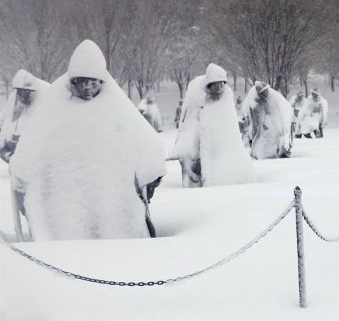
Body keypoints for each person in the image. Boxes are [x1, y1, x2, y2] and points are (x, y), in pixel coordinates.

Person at [10, 40, 166, 241]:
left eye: (92, 82)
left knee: (115, 239)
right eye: (81, 81)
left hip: (111, 200)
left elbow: (146, 144)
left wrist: (151, 173)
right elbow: (31, 146)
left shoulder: (117, 108)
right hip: (65, 201)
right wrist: (22, 172)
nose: (87, 87)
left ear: (102, 81)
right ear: (73, 82)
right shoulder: (54, 108)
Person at [172, 63, 254, 187]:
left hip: (222, 148)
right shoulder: (200, 102)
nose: (219, 87)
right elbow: (192, 126)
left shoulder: (227, 97)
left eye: (221, 83)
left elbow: (229, 125)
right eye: (216, 84)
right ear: (210, 85)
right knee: (192, 162)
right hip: (203, 145)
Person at [0, 69, 49, 164]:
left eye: (26, 92)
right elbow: (4, 117)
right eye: (19, 91)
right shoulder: (15, 98)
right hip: (14, 148)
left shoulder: (46, 95)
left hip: (34, 149)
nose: (21, 96)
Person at [240, 81, 294, 159]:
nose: (264, 94)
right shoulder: (254, 100)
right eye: (261, 93)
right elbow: (252, 113)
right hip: (263, 125)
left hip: (274, 123)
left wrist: (281, 126)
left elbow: (283, 111)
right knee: (261, 139)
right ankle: (260, 153)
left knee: (274, 138)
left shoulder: (275, 98)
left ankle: (278, 151)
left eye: (264, 92)